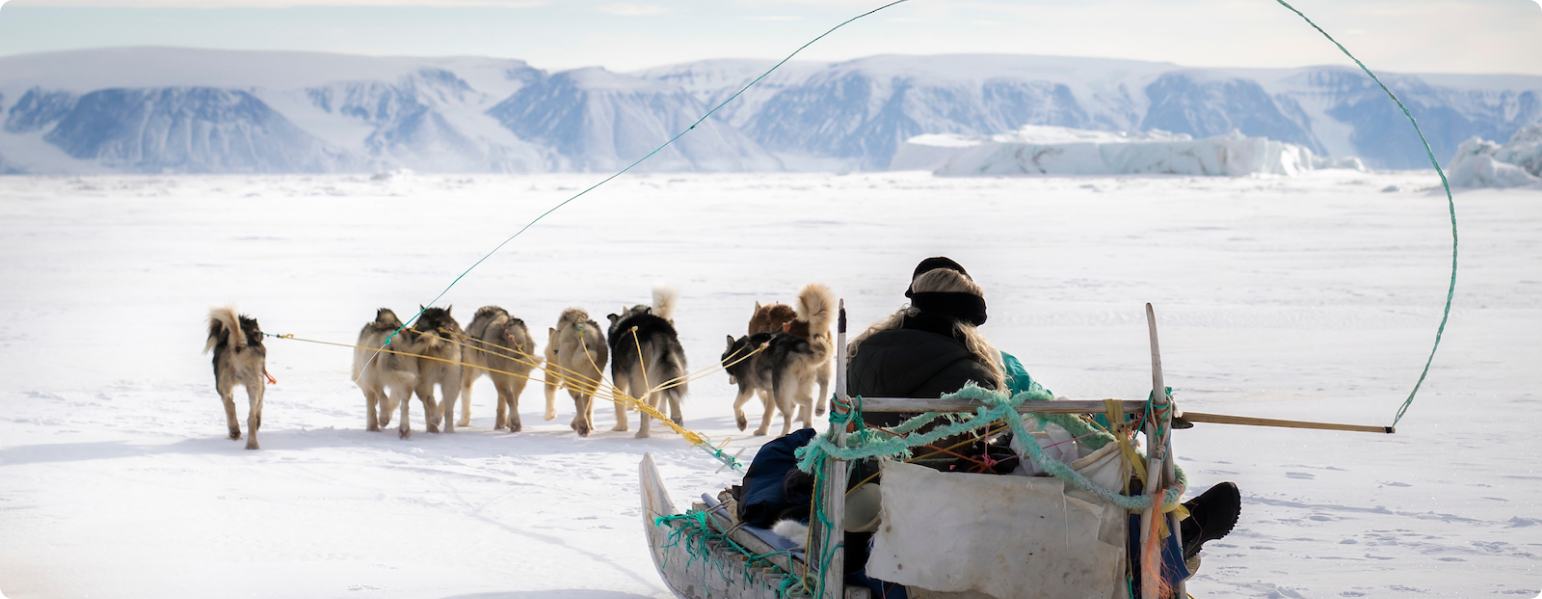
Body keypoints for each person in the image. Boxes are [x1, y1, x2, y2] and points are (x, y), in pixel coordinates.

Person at [845, 257, 1240, 593]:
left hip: (870, 483)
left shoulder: (857, 355)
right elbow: (1051, 408)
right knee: (1073, 472)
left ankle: (1168, 541)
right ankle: (1164, 546)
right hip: (951, 495)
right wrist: (1129, 422)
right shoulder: (980, 371)